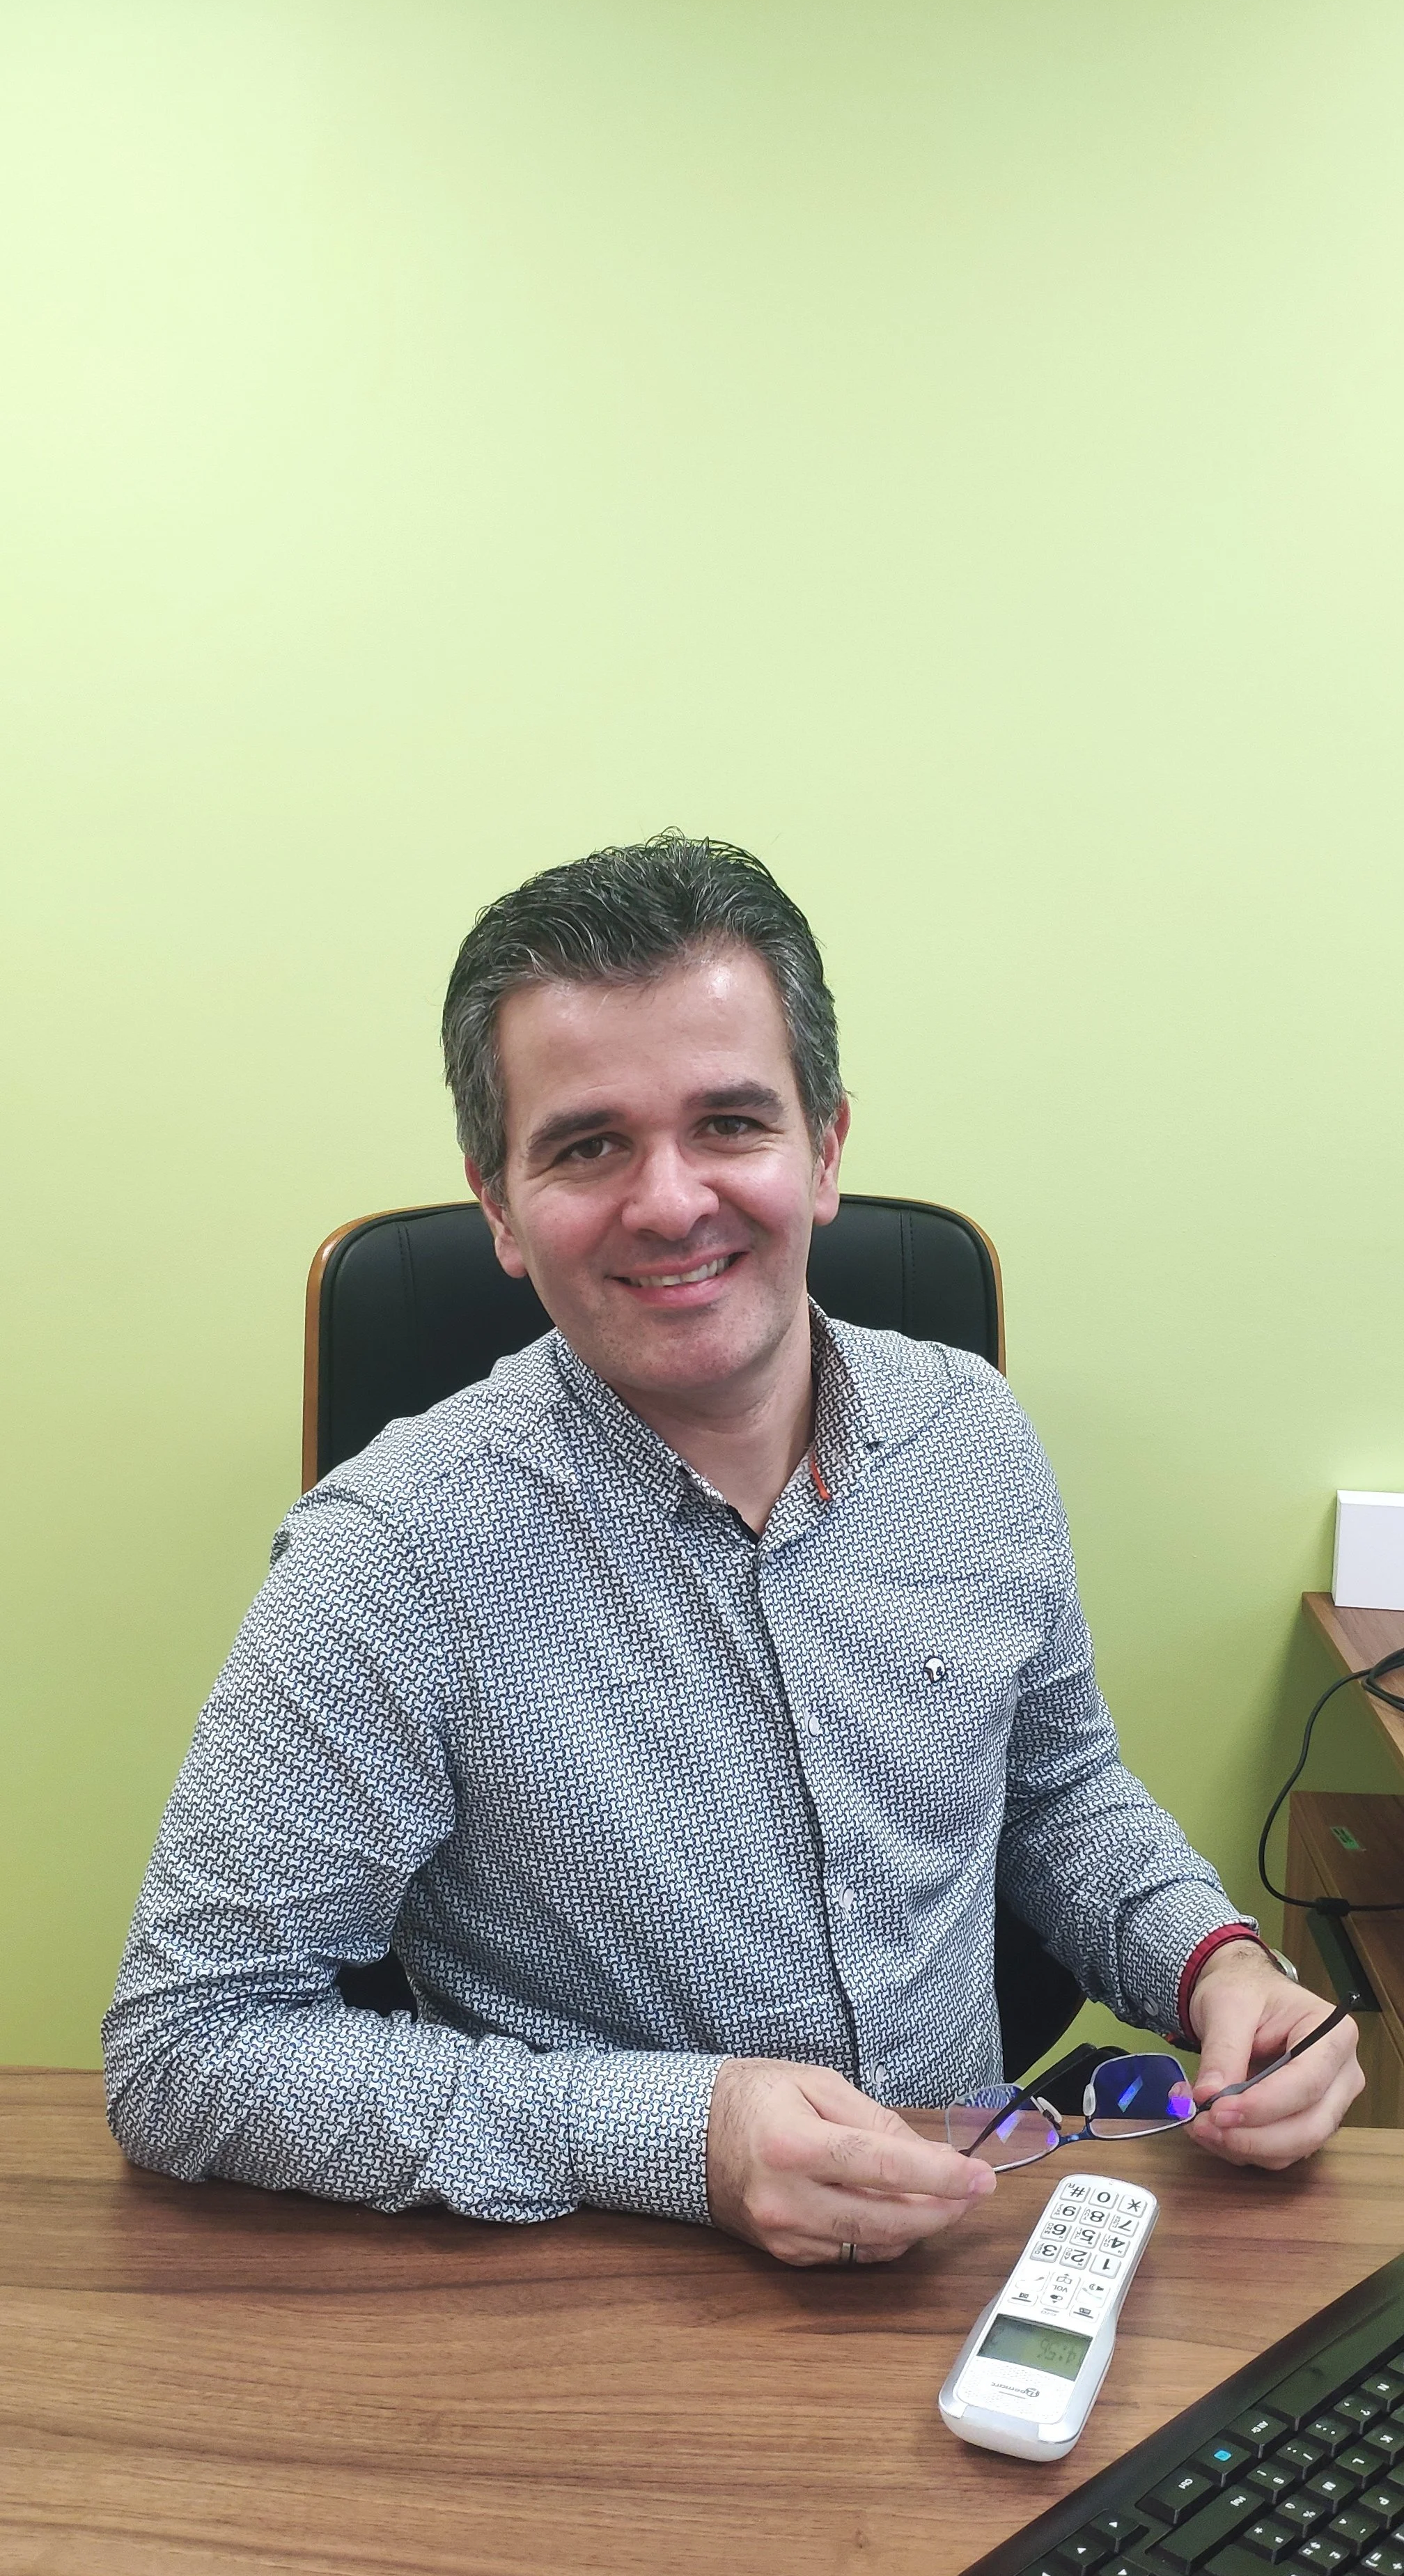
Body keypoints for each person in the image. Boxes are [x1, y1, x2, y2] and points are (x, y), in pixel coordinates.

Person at [103, 834, 1363, 2265]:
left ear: (824, 1149)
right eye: (589, 1145)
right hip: (614, 2300)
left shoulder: (974, 1439)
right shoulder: (392, 1559)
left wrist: (1217, 1962)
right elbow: (186, 2048)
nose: (669, 1200)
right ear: (501, 1210)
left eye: (730, 1124)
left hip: (980, 2241)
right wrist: (680, 2141)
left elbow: (1054, 1789)